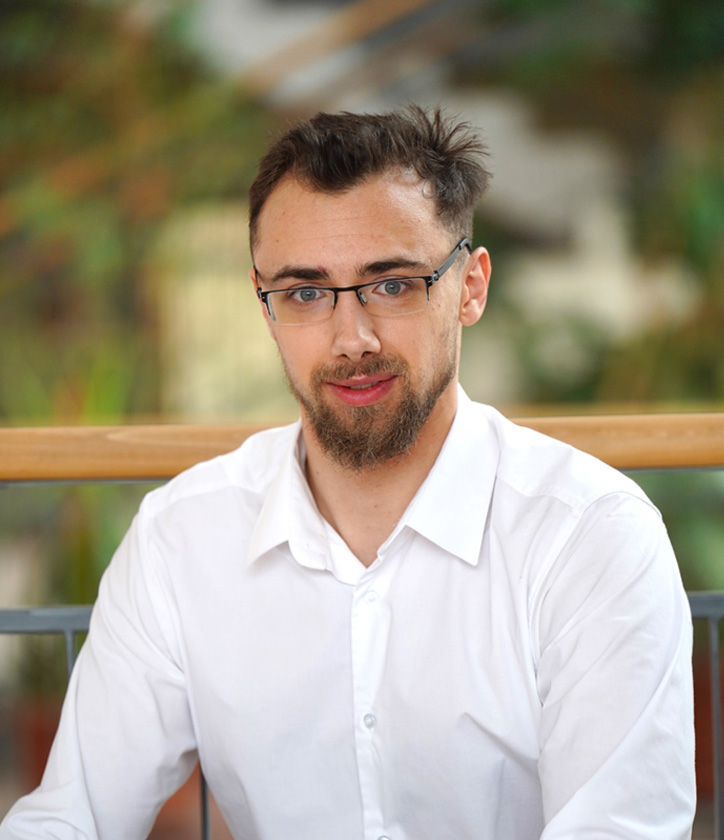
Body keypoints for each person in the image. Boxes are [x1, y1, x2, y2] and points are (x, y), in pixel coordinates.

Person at [1, 106, 695, 839]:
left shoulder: (589, 537)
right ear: (266, 306)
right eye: (305, 293)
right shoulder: (181, 538)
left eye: (391, 285)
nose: (351, 338)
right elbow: (71, 817)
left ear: (470, 286)